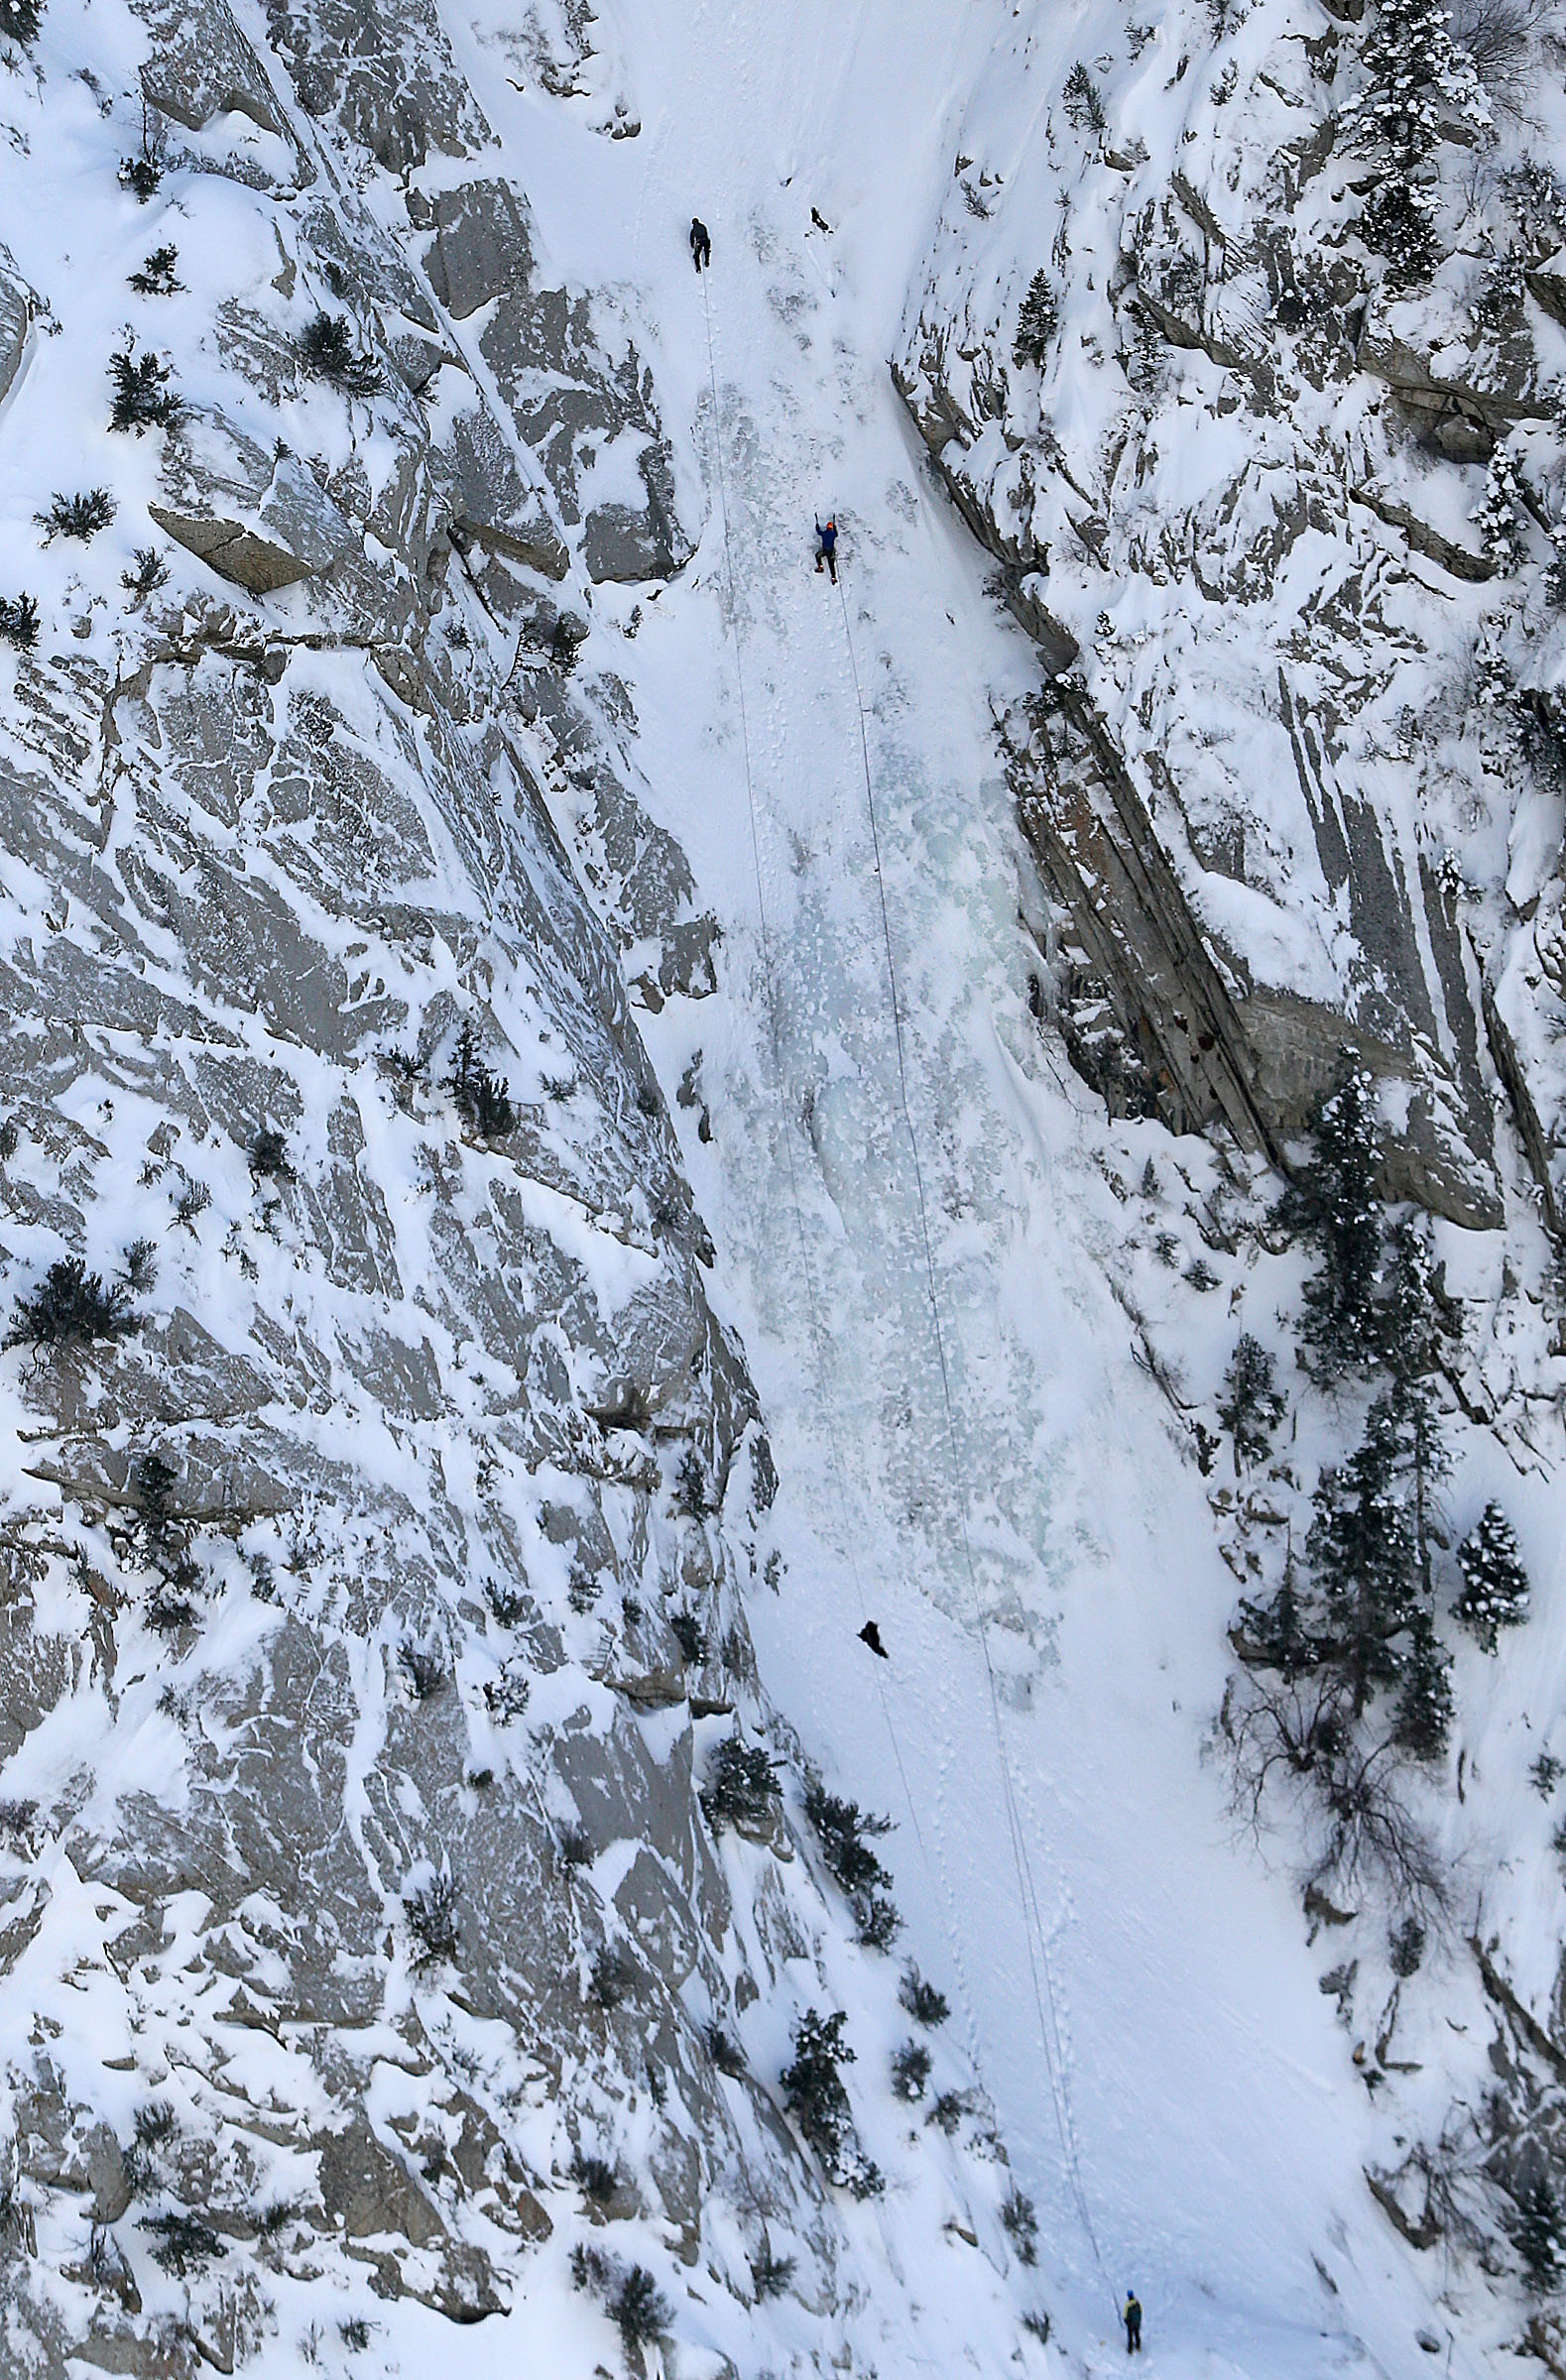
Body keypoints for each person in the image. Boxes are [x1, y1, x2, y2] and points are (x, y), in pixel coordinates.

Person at [814, 516, 838, 583]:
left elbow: (819, 532)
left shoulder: (825, 533)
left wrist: (817, 526)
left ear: (827, 527)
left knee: (818, 556)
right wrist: (835, 527)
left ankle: (820, 567)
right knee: (831, 565)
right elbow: (836, 534)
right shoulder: (833, 534)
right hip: (831, 551)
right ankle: (833, 578)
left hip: (825, 550)